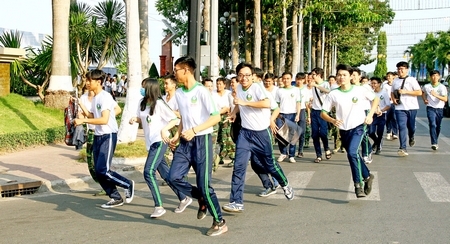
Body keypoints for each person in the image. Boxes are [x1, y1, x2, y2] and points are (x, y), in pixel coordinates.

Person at [167, 56, 227, 237]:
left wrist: (194, 130)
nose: (174, 73)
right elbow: (184, 117)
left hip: (201, 141)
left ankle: (219, 222)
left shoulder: (201, 91)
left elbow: (215, 117)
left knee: (204, 184)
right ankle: (200, 198)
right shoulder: (179, 93)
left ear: (186, 70)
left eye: (176, 69)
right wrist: (178, 135)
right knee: (173, 177)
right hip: (185, 143)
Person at [222, 62, 294, 213]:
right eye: (241, 75)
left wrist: (244, 102)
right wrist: (235, 112)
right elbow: (239, 103)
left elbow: (267, 103)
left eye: (247, 75)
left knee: (270, 165)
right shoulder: (239, 87)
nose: (244, 78)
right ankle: (236, 202)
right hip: (245, 134)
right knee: (239, 167)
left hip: (261, 134)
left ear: (252, 76)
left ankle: (285, 184)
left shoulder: (257, 87)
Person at [128, 78, 190, 218]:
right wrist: (134, 119)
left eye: (144, 87)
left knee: (148, 171)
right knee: (166, 174)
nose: (141, 89)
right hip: (150, 142)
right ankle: (184, 197)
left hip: (159, 141)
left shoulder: (160, 104)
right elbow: (143, 118)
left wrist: (165, 129)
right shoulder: (142, 102)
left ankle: (159, 206)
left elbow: (175, 120)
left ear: (150, 88)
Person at [74, 69, 134, 208]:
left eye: (90, 80)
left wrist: (83, 122)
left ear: (98, 82)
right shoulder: (95, 98)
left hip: (108, 135)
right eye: (87, 80)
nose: (87, 83)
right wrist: (81, 106)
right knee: (98, 170)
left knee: (104, 170)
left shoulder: (105, 97)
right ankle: (115, 197)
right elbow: (91, 116)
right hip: (98, 136)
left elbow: (104, 120)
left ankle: (127, 184)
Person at [321, 64, 378, 198]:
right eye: (339, 75)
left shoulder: (360, 90)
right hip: (343, 129)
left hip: (359, 126)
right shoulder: (333, 94)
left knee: (352, 153)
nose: (341, 77)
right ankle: (368, 175)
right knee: (354, 155)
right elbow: (323, 113)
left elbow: (375, 99)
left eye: (344, 75)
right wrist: (332, 120)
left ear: (350, 77)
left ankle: (358, 185)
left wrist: (370, 115)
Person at [390, 61, 422, 156]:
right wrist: (393, 99)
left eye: (402, 69)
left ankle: (411, 136)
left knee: (411, 127)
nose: (400, 71)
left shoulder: (412, 80)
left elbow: (419, 92)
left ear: (407, 70)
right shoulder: (395, 81)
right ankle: (402, 148)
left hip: (412, 107)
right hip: (400, 108)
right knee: (402, 126)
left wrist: (406, 92)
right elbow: (392, 92)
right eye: (398, 69)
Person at [275, 72, 301, 163]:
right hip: (281, 114)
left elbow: (298, 103)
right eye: (284, 78)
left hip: (292, 114)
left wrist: (298, 114)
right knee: (280, 134)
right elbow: (277, 104)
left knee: (292, 135)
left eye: (288, 78)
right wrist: (275, 115)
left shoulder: (296, 90)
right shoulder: (279, 91)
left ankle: (292, 155)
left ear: (291, 79)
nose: (286, 80)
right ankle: (283, 153)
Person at [351, 67, 373, 164]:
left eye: (354, 75)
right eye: (351, 75)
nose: (352, 77)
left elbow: (374, 99)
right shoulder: (347, 87)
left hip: (364, 112)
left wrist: (374, 111)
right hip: (352, 113)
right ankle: (364, 150)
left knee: (363, 133)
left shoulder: (365, 88)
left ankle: (365, 154)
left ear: (359, 76)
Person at [421, 70, 448, 150]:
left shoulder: (442, 87)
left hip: (439, 108)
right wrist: (424, 99)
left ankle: (435, 139)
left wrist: (436, 95)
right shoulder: (427, 86)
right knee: (432, 124)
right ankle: (434, 142)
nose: (434, 77)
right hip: (430, 108)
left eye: (436, 75)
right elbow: (422, 92)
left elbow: (445, 99)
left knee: (438, 126)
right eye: (433, 76)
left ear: (439, 77)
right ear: (430, 77)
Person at [310, 67, 331, 163]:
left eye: (314, 74)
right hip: (314, 111)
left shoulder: (325, 83)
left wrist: (316, 86)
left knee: (323, 133)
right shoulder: (312, 85)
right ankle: (318, 155)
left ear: (319, 75)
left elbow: (327, 91)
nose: (312, 76)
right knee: (315, 134)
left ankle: (326, 148)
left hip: (323, 112)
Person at [369, 77, 391, 155]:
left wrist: (381, 111)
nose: (373, 85)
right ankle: (376, 142)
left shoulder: (384, 93)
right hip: (372, 115)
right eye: (372, 83)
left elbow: (388, 105)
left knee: (380, 132)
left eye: (375, 83)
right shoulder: (370, 93)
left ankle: (378, 146)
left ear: (379, 84)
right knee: (370, 132)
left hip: (382, 115)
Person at [295, 72, 311, 158]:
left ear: (304, 80)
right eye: (298, 79)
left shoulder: (306, 91)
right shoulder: (293, 89)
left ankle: (300, 150)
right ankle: (289, 151)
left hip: (302, 111)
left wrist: (308, 116)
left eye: (301, 80)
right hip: (293, 111)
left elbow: (307, 103)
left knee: (302, 131)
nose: (299, 81)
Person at [383, 72, 398, 140]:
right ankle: (389, 132)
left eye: (390, 76)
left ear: (393, 77)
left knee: (394, 118)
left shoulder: (396, 85)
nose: (389, 77)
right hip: (387, 104)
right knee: (388, 118)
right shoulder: (384, 85)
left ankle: (394, 133)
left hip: (394, 103)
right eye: (387, 76)